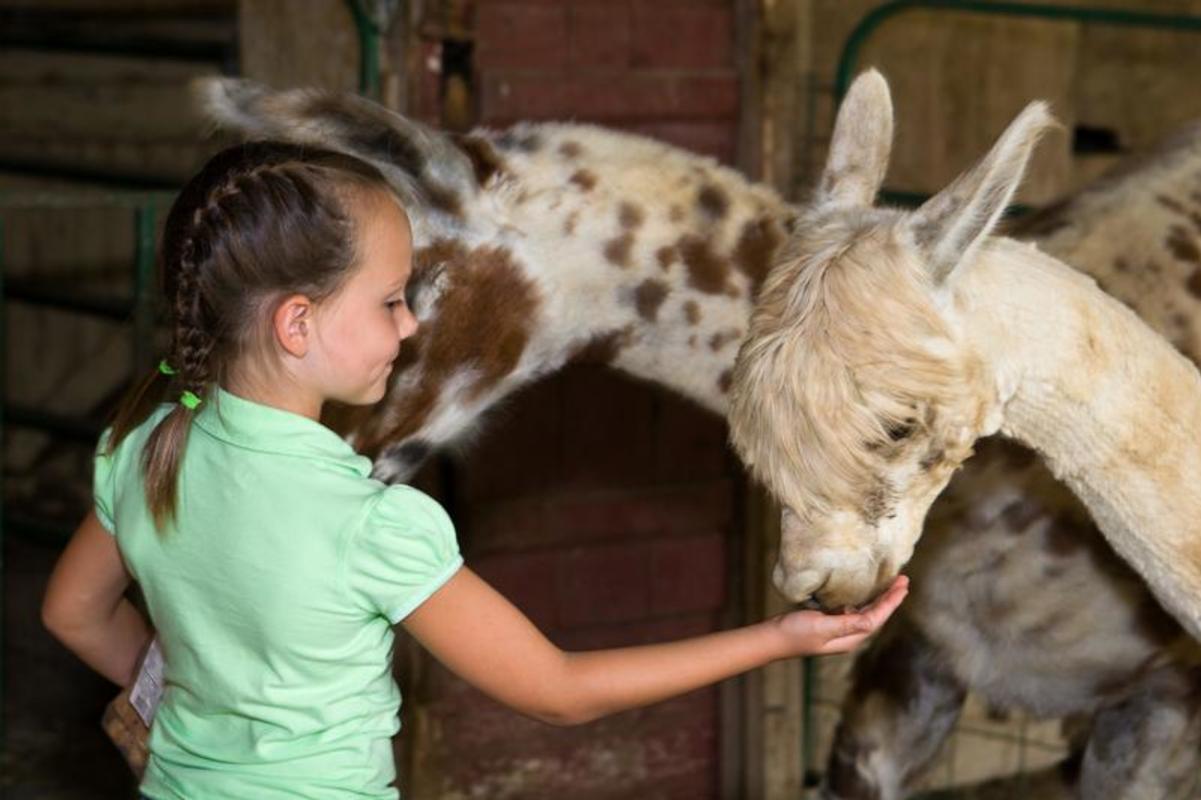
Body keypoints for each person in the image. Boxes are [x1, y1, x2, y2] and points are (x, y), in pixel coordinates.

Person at [41, 141, 908, 799]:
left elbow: (73, 613)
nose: (411, 328)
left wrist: (188, 698)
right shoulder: (368, 525)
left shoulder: (147, 446)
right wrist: (778, 638)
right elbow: (559, 692)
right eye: (389, 303)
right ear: (296, 325)